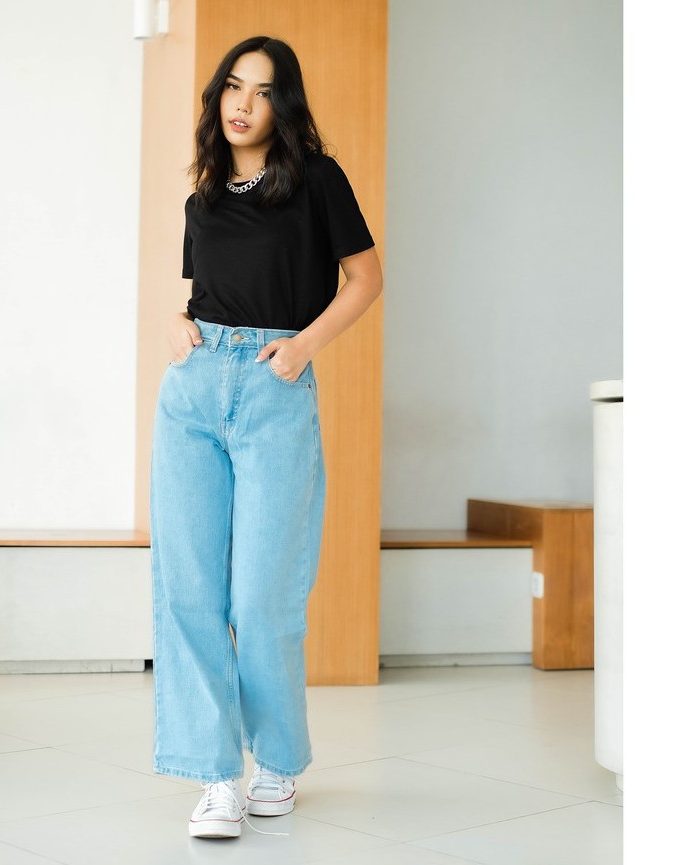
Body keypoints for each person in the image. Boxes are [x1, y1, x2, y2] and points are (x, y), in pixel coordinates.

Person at [150, 35, 382, 839]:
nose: (242, 103)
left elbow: (365, 278)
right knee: (188, 589)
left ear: (283, 106)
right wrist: (174, 322)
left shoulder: (316, 179)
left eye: (261, 90)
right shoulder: (204, 198)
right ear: (218, 97)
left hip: (274, 387)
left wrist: (305, 345)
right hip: (192, 390)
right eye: (232, 87)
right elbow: (204, 293)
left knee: (263, 594)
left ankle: (275, 760)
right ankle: (216, 775)